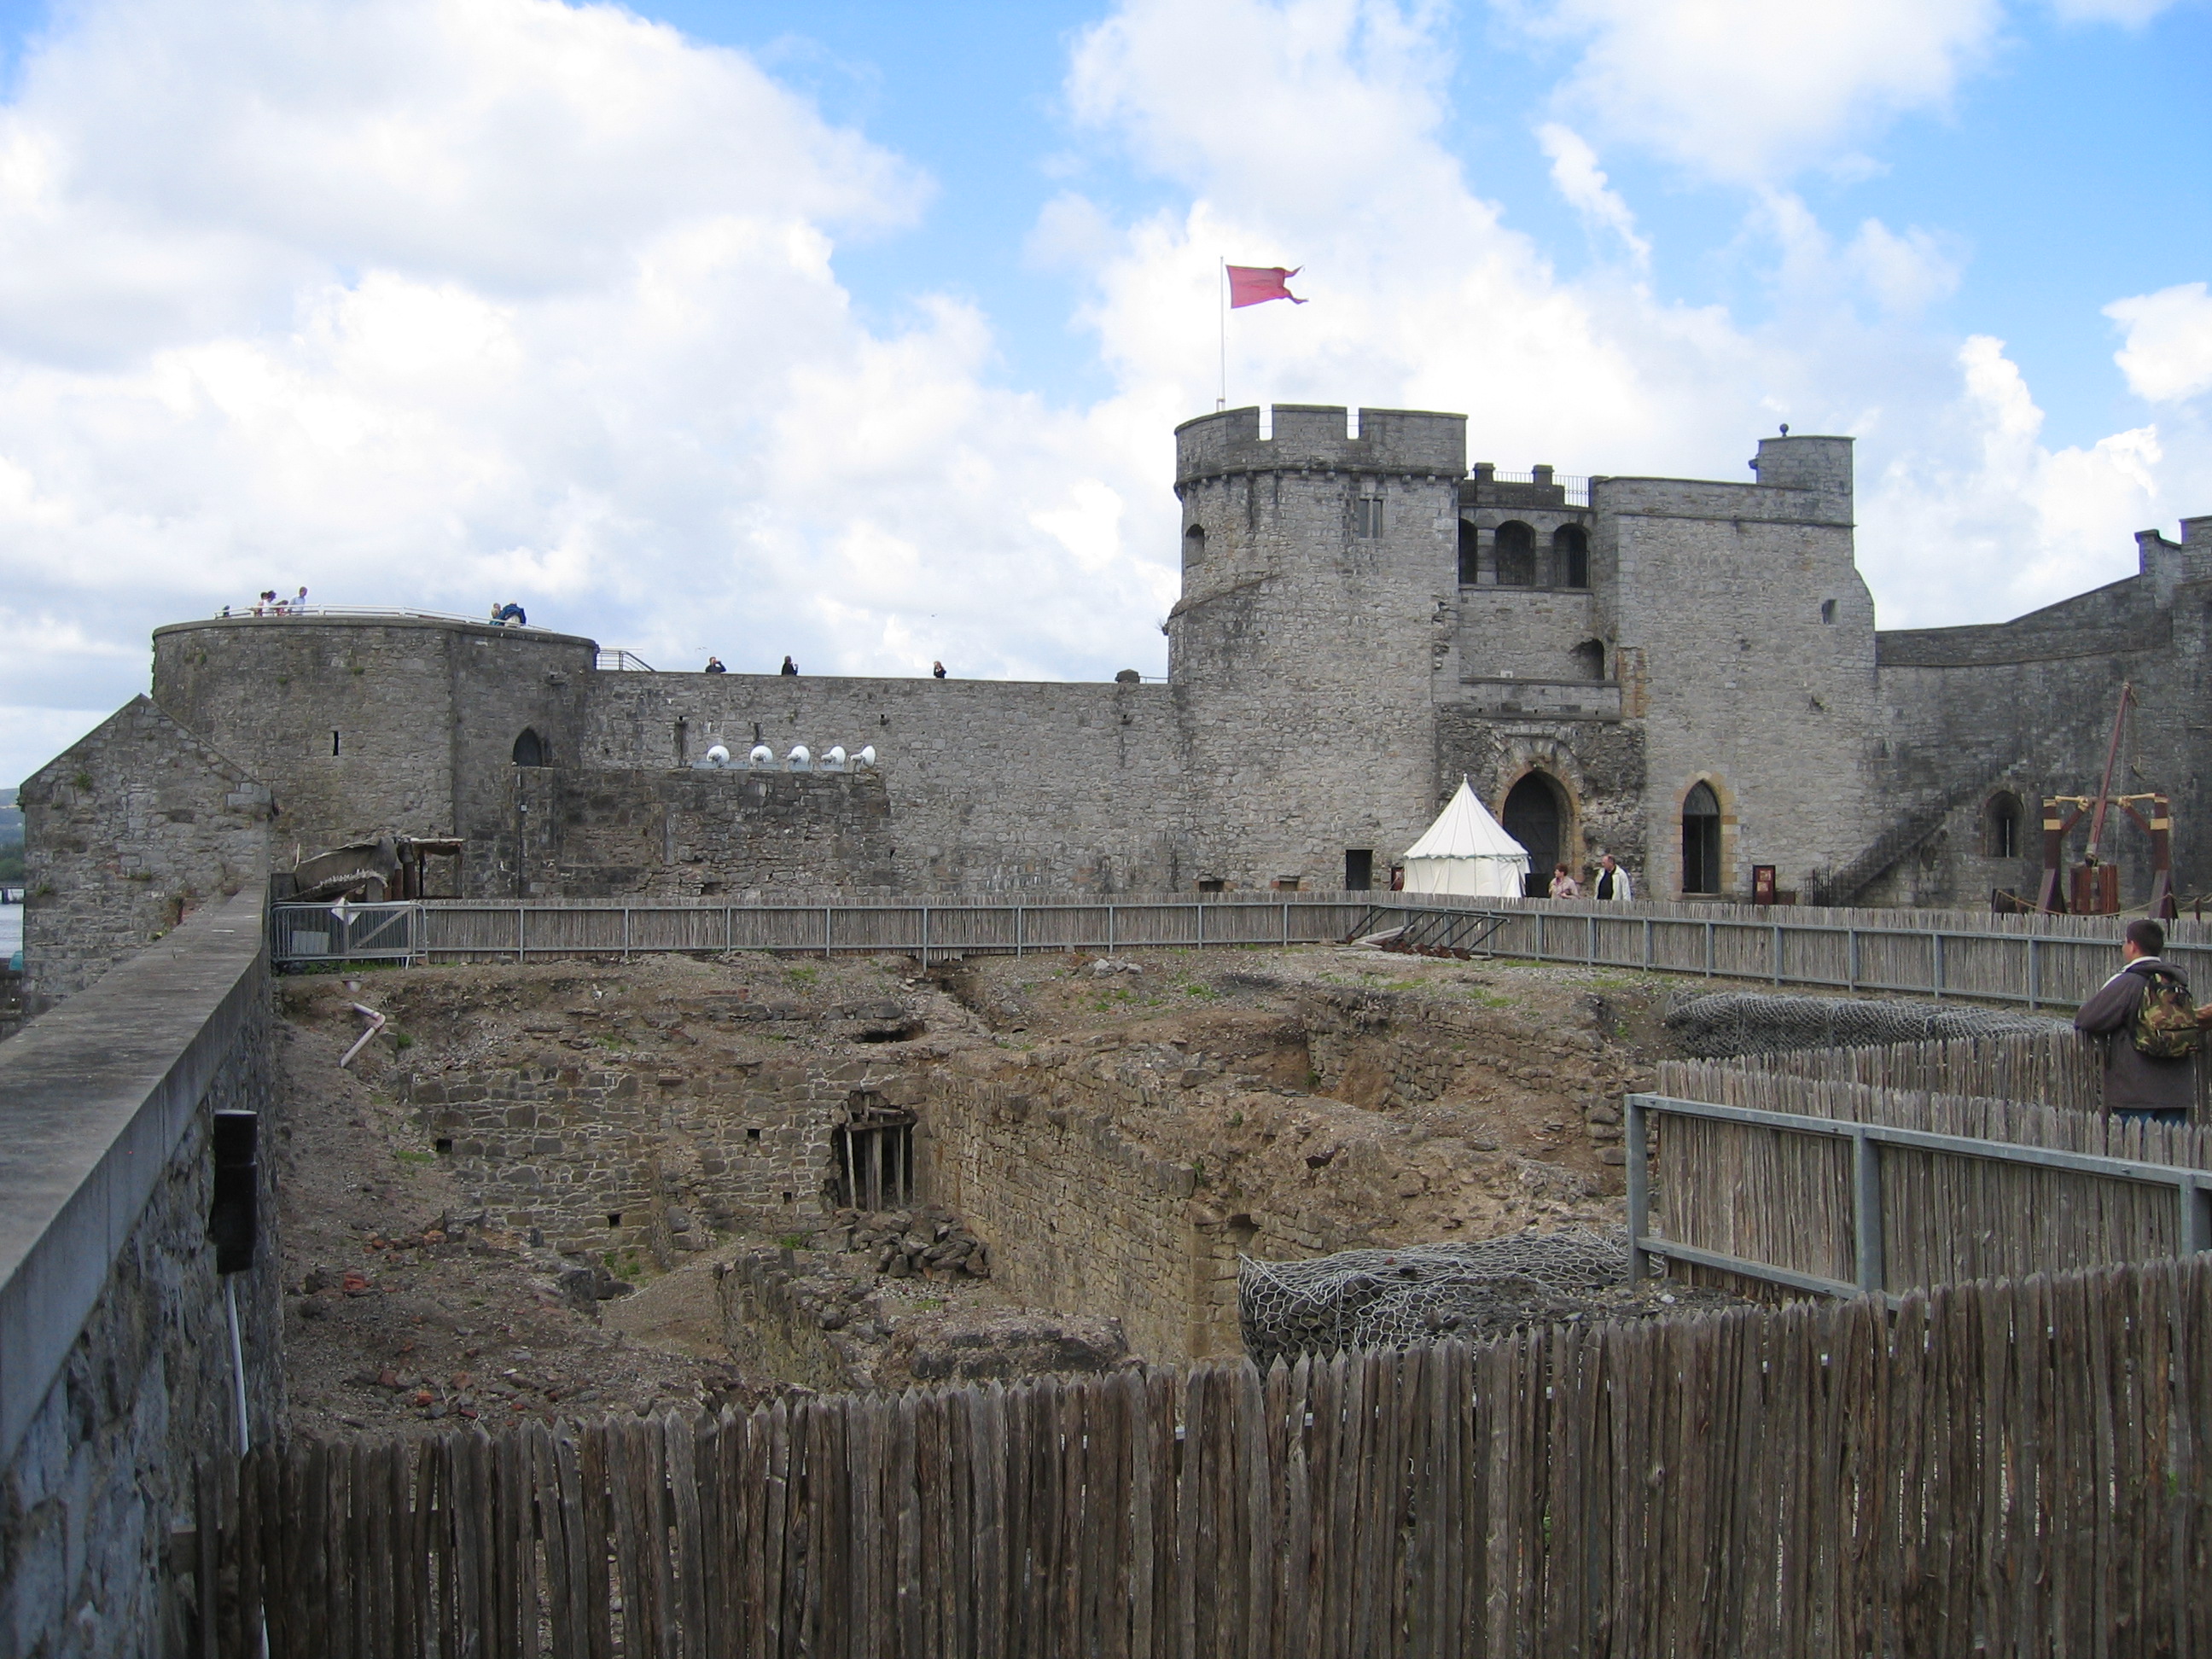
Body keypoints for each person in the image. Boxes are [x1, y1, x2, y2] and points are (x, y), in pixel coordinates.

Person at [2073, 918, 2212, 1124]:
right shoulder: (2176, 981)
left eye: (2125, 942)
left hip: (2136, 1090)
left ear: (2133, 946)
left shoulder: (2129, 981)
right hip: (2177, 1091)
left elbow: (2087, 1020)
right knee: (2172, 1151)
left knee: (2135, 1151)